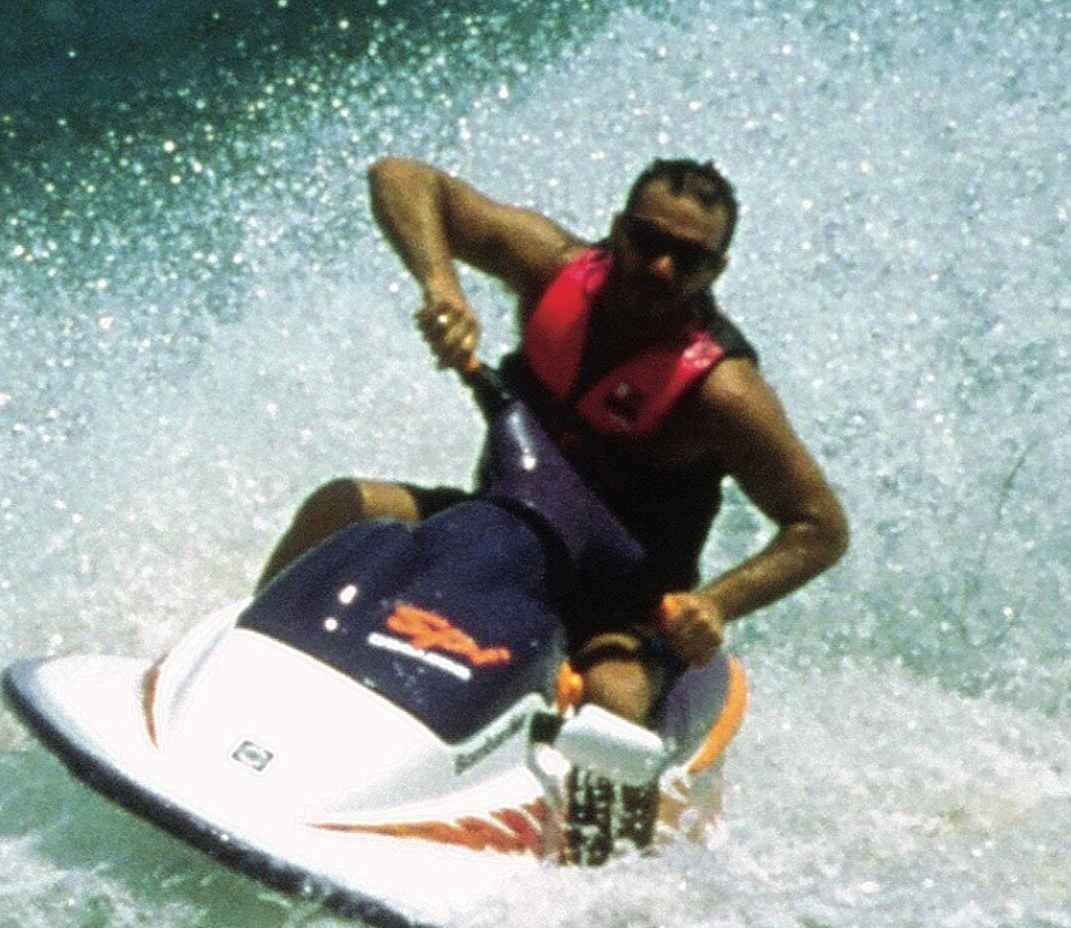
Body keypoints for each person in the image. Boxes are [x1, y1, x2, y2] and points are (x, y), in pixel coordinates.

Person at [259, 155, 850, 799]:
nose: (662, 267)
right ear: (618, 229)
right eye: (648, 241)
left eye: (689, 258)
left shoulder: (723, 391)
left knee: (611, 697)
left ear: (717, 271)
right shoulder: (550, 269)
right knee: (340, 508)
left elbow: (820, 527)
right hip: (499, 534)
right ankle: (242, 681)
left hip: (620, 604)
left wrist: (714, 604)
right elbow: (399, 177)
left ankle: (601, 855)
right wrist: (442, 286)